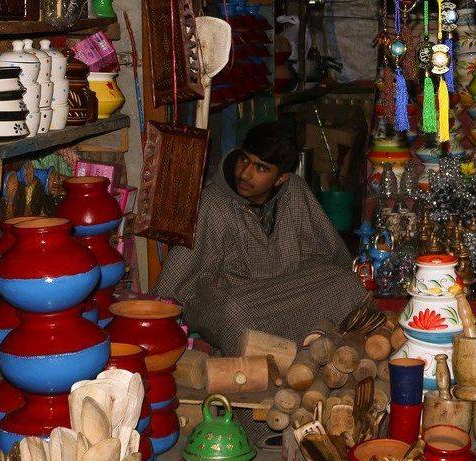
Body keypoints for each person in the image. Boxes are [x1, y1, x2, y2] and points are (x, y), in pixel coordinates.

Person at [152, 122, 369, 354]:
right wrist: (156, 316)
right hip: (240, 298)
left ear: (281, 178)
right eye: (244, 159)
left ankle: (294, 344)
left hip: (286, 289)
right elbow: (177, 277)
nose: (245, 173)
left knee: (348, 285)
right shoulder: (212, 203)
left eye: (261, 168)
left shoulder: (294, 190)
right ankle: (296, 344)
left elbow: (330, 252)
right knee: (235, 317)